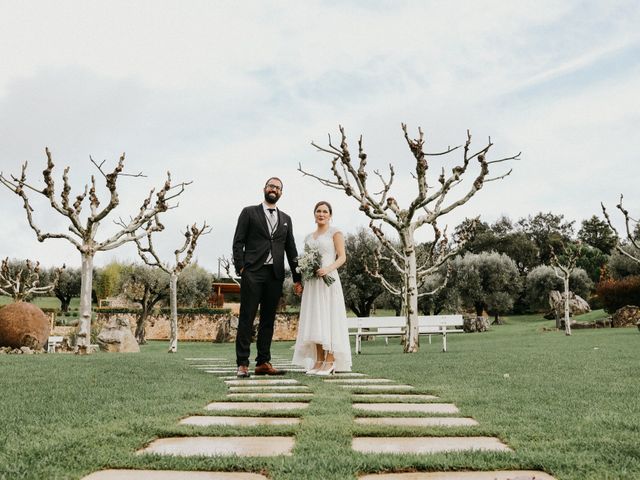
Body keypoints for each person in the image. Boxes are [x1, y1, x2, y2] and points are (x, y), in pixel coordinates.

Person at [232, 177, 302, 377]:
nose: (274, 189)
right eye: (271, 186)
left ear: (281, 193)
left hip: (275, 275)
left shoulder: (286, 219)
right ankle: (242, 363)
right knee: (247, 318)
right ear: (264, 189)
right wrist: (241, 268)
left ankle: (263, 362)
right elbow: (238, 242)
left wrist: (297, 278)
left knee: (268, 320)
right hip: (253, 272)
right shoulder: (249, 212)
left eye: (278, 188)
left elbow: (291, 249)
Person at [292, 201, 352, 375]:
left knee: (329, 317)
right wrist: (307, 270)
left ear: (330, 215)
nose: (321, 214)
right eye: (318, 211)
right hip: (313, 283)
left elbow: (342, 257)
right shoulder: (309, 237)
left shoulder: (336, 233)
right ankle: (319, 360)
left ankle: (330, 360)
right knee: (315, 319)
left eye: (325, 211)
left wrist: (327, 269)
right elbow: (307, 258)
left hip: (328, 280)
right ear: (314, 214)